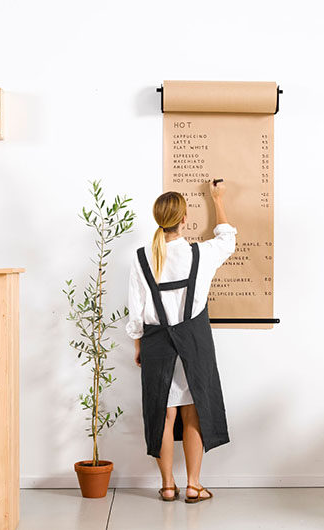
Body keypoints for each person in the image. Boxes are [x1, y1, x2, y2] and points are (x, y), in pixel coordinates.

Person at [126, 180, 236, 503]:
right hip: (194, 341)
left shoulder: (141, 258)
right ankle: (193, 484)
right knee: (193, 410)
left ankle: (167, 486)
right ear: (184, 219)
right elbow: (227, 237)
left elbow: (136, 309)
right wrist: (217, 199)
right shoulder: (199, 254)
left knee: (164, 412)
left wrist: (137, 345)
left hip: (156, 343)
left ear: (158, 219)